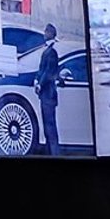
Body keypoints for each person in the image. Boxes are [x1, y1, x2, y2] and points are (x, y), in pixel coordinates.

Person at [35, 24, 62, 155]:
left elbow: (48, 71)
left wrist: (40, 84)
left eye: (46, 31)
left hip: (49, 95)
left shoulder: (52, 52)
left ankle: (54, 154)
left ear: (51, 33)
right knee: (47, 128)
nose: (44, 33)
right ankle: (49, 154)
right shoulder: (47, 50)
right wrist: (36, 79)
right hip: (45, 96)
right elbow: (41, 69)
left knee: (50, 128)